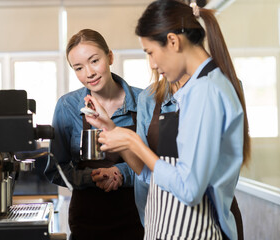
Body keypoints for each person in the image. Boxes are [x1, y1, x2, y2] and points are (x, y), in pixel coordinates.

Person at [86, 1, 251, 239]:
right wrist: (112, 129)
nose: (152, 64)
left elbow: (189, 188)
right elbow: (153, 174)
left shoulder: (206, 91)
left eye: (151, 52)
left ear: (173, 41)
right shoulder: (192, 90)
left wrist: (134, 143)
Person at [44, 29, 144, 240]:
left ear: (109, 57)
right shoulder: (67, 106)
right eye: (79, 68)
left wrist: (120, 173)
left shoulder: (144, 101)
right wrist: (91, 177)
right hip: (87, 222)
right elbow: (56, 169)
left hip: (138, 220)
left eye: (94, 61)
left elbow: (155, 166)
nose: (88, 73)